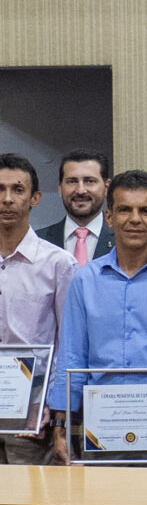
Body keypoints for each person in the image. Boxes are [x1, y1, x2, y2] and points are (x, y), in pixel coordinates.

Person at [49, 170, 147, 466]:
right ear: (109, 218)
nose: (135, 219)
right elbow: (71, 357)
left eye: (145, 211)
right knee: (103, 496)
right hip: (100, 420)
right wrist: (60, 428)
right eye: (125, 210)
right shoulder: (85, 280)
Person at [0, 154, 76, 463]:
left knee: (25, 492)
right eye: (0, 189)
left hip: (32, 410)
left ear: (35, 198)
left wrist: (52, 404)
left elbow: (67, 343)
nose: (7, 199)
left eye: (18, 190)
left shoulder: (58, 264)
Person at [35, 149, 113, 263]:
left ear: (106, 188)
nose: (80, 190)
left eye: (89, 181)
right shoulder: (37, 242)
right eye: (72, 181)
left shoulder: (123, 240)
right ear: (60, 188)